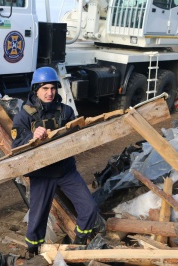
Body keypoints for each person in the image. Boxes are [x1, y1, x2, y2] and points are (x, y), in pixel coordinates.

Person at [11, 67, 105, 257]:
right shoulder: (24, 116)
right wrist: (31, 136)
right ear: (35, 89)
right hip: (42, 174)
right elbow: (16, 145)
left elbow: (77, 137)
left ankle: (78, 243)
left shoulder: (66, 111)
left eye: (53, 88)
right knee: (37, 219)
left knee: (89, 208)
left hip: (65, 170)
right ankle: (33, 252)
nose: (50, 92)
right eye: (44, 88)